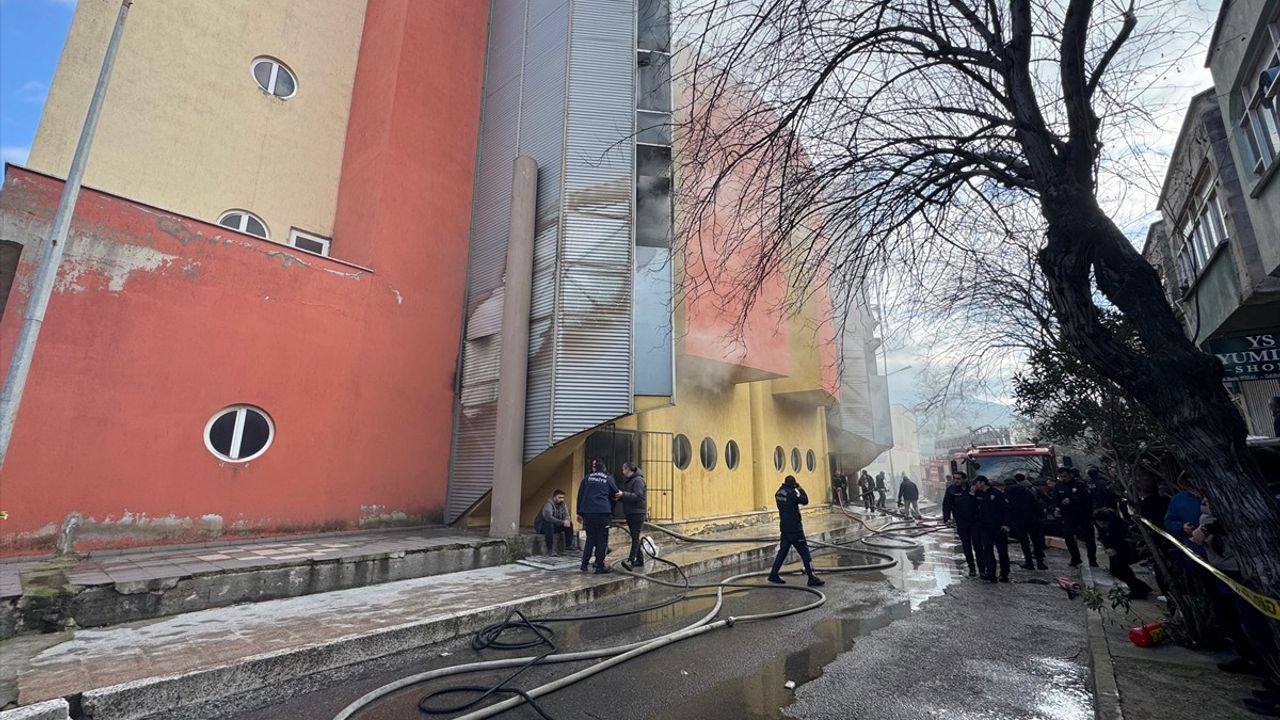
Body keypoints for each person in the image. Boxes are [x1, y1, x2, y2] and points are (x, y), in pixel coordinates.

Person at [767, 475, 825, 586]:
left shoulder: (779, 493)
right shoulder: (792, 494)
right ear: (793, 484)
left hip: (785, 527)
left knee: (782, 552)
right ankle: (811, 577)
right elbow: (805, 501)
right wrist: (800, 488)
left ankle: (773, 574)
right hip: (795, 529)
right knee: (805, 553)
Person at [1092, 508, 1152, 600]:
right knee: (1116, 570)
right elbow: (1104, 536)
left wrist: (1116, 550)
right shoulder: (1102, 525)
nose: (1102, 525)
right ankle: (1140, 587)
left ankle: (1139, 589)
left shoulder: (1120, 525)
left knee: (1120, 569)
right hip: (1112, 549)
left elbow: (1127, 540)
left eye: (1104, 523)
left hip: (1125, 550)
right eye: (1100, 523)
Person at [576, 458, 622, 574]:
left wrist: (579, 513)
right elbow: (616, 492)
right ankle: (599, 566)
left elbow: (580, 495)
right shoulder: (608, 479)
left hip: (588, 513)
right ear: (604, 468)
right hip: (602, 513)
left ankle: (584, 564)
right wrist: (612, 509)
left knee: (590, 538)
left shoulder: (586, 478)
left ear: (594, 468)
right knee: (602, 540)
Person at [1052, 467, 1098, 568]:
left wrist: (1072, 499)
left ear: (1070, 475)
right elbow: (1055, 499)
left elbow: (1087, 499)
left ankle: (1092, 559)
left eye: (1065, 476)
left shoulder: (1079, 484)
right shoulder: (1058, 486)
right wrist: (1057, 508)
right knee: (1068, 537)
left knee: (1089, 539)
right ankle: (1075, 558)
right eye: (1060, 477)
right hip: (1068, 516)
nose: (1063, 478)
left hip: (1083, 515)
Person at [1006, 473, 1048, 570]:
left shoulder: (1007, 493)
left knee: (1024, 542)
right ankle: (1040, 563)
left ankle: (1029, 563)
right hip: (1032, 519)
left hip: (1019, 521)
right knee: (1036, 541)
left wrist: (1009, 521)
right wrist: (1040, 517)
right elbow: (1035, 504)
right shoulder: (1026, 491)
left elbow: (1008, 508)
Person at [975, 475, 1011, 583]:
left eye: (976, 483)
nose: (975, 486)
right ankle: (991, 573)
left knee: (1002, 552)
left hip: (998, 527)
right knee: (987, 550)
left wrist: (1006, 524)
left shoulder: (996, 493)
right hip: (985, 528)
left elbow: (1006, 509)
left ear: (982, 483)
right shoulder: (978, 494)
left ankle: (1004, 574)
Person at [942, 472, 978, 577]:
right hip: (961, 522)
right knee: (966, 546)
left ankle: (983, 568)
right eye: (954, 478)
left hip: (975, 522)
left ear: (964, 479)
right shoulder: (951, 490)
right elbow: (946, 505)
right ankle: (972, 568)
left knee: (978, 545)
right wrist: (947, 519)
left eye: (958, 479)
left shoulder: (972, 489)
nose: (956, 481)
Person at [618, 462, 648, 570]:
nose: (622, 471)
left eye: (623, 469)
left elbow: (638, 496)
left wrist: (623, 494)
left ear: (628, 469)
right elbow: (629, 496)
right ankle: (640, 560)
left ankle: (631, 560)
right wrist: (620, 497)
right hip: (630, 511)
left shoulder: (638, 480)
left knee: (635, 537)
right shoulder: (629, 481)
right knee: (634, 536)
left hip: (637, 512)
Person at [533, 489, 575, 556]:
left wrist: (567, 520)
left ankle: (568, 545)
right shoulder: (548, 504)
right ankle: (550, 550)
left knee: (569, 523)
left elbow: (566, 515)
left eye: (563, 498)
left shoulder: (563, 504)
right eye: (560, 497)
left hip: (554, 525)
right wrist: (562, 522)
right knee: (549, 524)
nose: (562, 499)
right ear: (554, 497)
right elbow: (548, 517)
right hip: (541, 527)